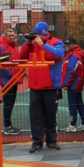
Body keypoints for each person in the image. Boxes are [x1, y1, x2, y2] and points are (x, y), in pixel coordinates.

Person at [19, 22, 64, 153]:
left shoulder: (57, 42)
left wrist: (42, 45)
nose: (37, 37)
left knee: (51, 115)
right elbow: (21, 57)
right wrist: (28, 44)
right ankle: (37, 141)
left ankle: (51, 140)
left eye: (39, 35)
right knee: (36, 116)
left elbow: (57, 55)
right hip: (35, 86)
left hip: (50, 86)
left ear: (45, 33)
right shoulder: (32, 44)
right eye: (36, 35)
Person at [0, 28, 22, 135]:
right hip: (8, 80)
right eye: (9, 35)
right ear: (5, 36)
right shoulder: (2, 47)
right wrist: (10, 74)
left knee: (11, 103)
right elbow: (1, 64)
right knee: (8, 103)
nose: (11, 37)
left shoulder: (15, 46)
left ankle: (8, 125)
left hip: (14, 78)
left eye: (13, 35)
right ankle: (7, 126)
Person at [62, 37, 84, 132]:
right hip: (77, 83)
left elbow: (72, 71)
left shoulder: (73, 55)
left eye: (68, 44)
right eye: (66, 44)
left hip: (73, 84)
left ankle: (73, 125)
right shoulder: (76, 54)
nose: (66, 46)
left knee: (72, 105)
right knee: (79, 103)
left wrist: (66, 83)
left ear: (74, 45)